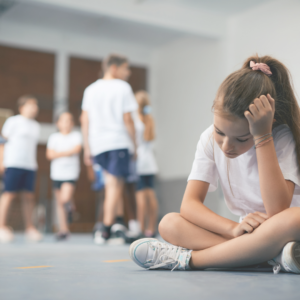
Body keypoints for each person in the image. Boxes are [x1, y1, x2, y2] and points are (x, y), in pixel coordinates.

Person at [129, 55, 300, 274]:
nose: (227, 146)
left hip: (283, 231)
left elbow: (277, 210)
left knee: (295, 218)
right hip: (247, 235)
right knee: (169, 223)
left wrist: (263, 137)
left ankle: (189, 260)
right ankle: (264, 257)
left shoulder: (280, 136)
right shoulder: (208, 138)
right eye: (220, 132)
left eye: (241, 138)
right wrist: (233, 228)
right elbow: (189, 205)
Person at [81, 53, 138, 244]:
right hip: (117, 142)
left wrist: (87, 147)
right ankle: (105, 228)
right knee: (114, 184)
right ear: (114, 68)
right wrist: (135, 144)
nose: (128, 73)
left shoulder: (90, 89)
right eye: (126, 68)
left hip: (98, 145)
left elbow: (84, 120)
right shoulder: (122, 87)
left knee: (114, 183)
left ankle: (119, 223)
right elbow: (128, 119)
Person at [0, 95, 42, 243]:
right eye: (31, 105)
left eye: (35, 105)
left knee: (29, 197)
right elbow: (2, 141)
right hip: (13, 163)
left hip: (29, 165)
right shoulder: (13, 121)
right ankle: (1, 226)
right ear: (22, 107)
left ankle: (30, 228)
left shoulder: (36, 126)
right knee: (9, 194)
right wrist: (1, 161)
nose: (34, 108)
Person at [46, 112, 82, 240]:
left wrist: (58, 153)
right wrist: (67, 152)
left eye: (69, 120)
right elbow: (49, 155)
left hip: (70, 173)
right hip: (57, 173)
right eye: (64, 120)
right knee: (59, 203)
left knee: (64, 199)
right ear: (58, 123)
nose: (67, 123)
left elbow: (76, 149)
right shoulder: (54, 137)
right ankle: (64, 229)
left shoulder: (76, 135)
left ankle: (71, 206)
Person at [134, 91, 158, 238]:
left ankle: (141, 229)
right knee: (151, 195)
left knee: (140, 196)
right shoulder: (149, 120)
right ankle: (150, 228)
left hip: (139, 162)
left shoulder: (136, 120)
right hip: (151, 163)